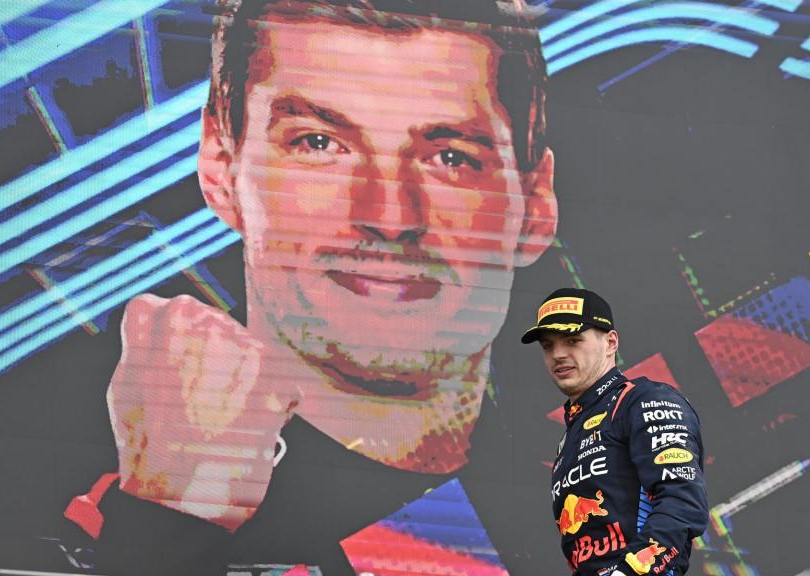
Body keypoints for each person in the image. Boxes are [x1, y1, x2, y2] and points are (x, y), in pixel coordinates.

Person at [61, 0, 559, 572]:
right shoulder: (65, 521)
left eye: (451, 158)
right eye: (318, 143)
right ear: (221, 167)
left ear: (536, 206)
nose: (390, 215)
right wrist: (167, 521)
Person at [522, 288, 708, 575]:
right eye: (548, 345)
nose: (558, 354)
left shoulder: (645, 401)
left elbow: (683, 505)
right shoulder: (571, 434)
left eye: (573, 340)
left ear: (610, 343)